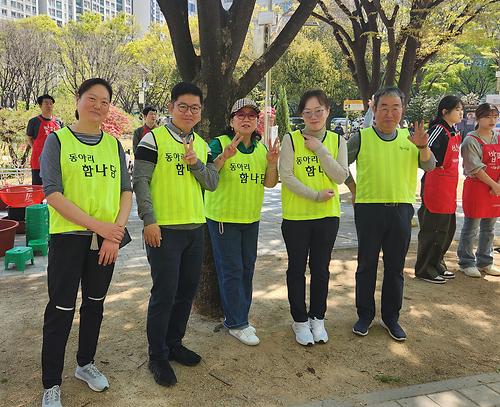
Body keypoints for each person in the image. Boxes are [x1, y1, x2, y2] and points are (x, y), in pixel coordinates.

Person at [39, 78, 133, 407]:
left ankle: (85, 364)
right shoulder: (58, 142)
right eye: (91, 99)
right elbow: (52, 193)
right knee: (61, 309)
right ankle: (51, 383)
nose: (98, 105)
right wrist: (100, 228)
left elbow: (126, 191)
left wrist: (115, 232)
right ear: (78, 100)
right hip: (68, 239)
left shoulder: (114, 145)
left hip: (105, 241)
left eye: (104, 101)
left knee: (94, 305)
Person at [133, 82, 218, 387]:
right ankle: (157, 356)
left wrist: (195, 163)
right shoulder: (152, 140)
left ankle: (174, 344)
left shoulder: (203, 145)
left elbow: (211, 183)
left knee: (185, 292)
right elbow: (140, 181)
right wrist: (149, 220)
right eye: (183, 106)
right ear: (171, 108)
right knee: (164, 294)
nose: (189, 112)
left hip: (196, 228)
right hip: (163, 231)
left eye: (195, 108)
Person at [346, 87, 436, 342]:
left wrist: (423, 147)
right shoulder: (361, 138)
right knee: (366, 266)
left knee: (395, 268)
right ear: (373, 109)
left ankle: (391, 318)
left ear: (402, 110)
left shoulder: (411, 139)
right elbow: (338, 165)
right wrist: (353, 188)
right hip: (368, 209)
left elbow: (430, 165)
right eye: (383, 107)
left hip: (401, 211)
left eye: (395, 107)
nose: (389, 112)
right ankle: (364, 316)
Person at [205, 98, 279, 346]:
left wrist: (272, 163)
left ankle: (240, 317)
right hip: (224, 219)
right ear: (231, 120)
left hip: (250, 219)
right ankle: (236, 322)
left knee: (247, 268)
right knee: (231, 271)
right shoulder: (219, 143)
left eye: (251, 115)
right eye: (240, 115)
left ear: (257, 120)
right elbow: (208, 177)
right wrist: (224, 157)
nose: (246, 119)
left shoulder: (260, 149)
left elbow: (269, 184)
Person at [279, 89, 349, 346]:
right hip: (296, 217)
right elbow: (286, 176)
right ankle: (299, 321)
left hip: (327, 217)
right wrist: (314, 195)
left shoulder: (336, 140)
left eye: (319, 111)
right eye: (307, 112)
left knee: (321, 269)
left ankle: (317, 318)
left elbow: (341, 176)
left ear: (328, 111)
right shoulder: (291, 139)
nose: (314, 116)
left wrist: (320, 149)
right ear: (301, 115)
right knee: (296, 269)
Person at [414, 96, 463, 284]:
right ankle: (425, 268)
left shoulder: (454, 131)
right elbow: (428, 159)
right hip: (436, 187)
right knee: (432, 230)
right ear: (444, 112)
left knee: (446, 229)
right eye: (457, 109)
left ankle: (437, 263)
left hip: (449, 189)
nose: (461, 113)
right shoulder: (437, 130)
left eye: (461, 109)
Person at [457, 103, 500, 277]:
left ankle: (485, 260)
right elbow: (475, 168)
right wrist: (494, 185)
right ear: (477, 118)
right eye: (488, 116)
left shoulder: (498, 138)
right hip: (478, 187)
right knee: (471, 227)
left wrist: (498, 184)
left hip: (495, 188)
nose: (492, 120)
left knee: (489, 227)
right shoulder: (471, 140)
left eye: (495, 117)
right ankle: (466, 261)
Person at [26, 94, 63, 185]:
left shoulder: (59, 122)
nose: (49, 106)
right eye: (46, 103)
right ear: (40, 106)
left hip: (55, 158)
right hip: (38, 159)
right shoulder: (33, 121)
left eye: (51, 103)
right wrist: (36, 148)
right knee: (38, 187)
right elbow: (29, 138)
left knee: (56, 186)